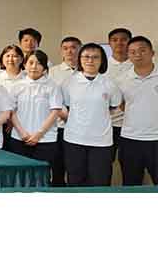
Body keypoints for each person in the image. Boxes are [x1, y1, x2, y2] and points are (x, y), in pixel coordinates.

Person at [60, 43, 122, 186]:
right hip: (74, 140)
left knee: (100, 182)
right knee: (75, 181)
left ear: (102, 60)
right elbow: (67, 106)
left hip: (102, 142)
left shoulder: (109, 84)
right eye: (86, 56)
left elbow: (114, 106)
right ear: (80, 59)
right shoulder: (69, 82)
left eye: (95, 57)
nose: (90, 60)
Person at [8, 50, 64, 184]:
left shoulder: (52, 86)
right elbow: (11, 111)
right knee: (20, 177)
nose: (34, 67)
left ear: (44, 67)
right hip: (19, 138)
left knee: (41, 178)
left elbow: (55, 111)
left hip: (46, 140)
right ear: (24, 65)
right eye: (31, 62)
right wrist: (22, 132)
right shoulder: (17, 85)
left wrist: (39, 134)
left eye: (39, 63)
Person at [117, 36, 158, 185]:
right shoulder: (122, 79)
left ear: (152, 53)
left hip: (156, 138)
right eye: (132, 52)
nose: (137, 55)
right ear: (128, 55)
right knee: (131, 184)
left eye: (142, 50)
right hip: (130, 139)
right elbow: (121, 104)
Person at [49, 36, 81, 186]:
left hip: (82, 129)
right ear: (61, 51)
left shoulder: (87, 71)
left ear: (80, 50)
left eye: (74, 47)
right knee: (58, 166)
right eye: (66, 48)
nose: (70, 51)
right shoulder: (53, 72)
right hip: (59, 126)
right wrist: (66, 115)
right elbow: (50, 98)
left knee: (77, 167)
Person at [106, 27, 134, 161]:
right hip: (107, 124)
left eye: (123, 39)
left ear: (130, 42)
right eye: (115, 40)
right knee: (104, 163)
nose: (119, 43)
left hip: (132, 125)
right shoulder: (102, 66)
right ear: (109, 43)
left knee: (130, 164)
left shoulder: (137, 64)